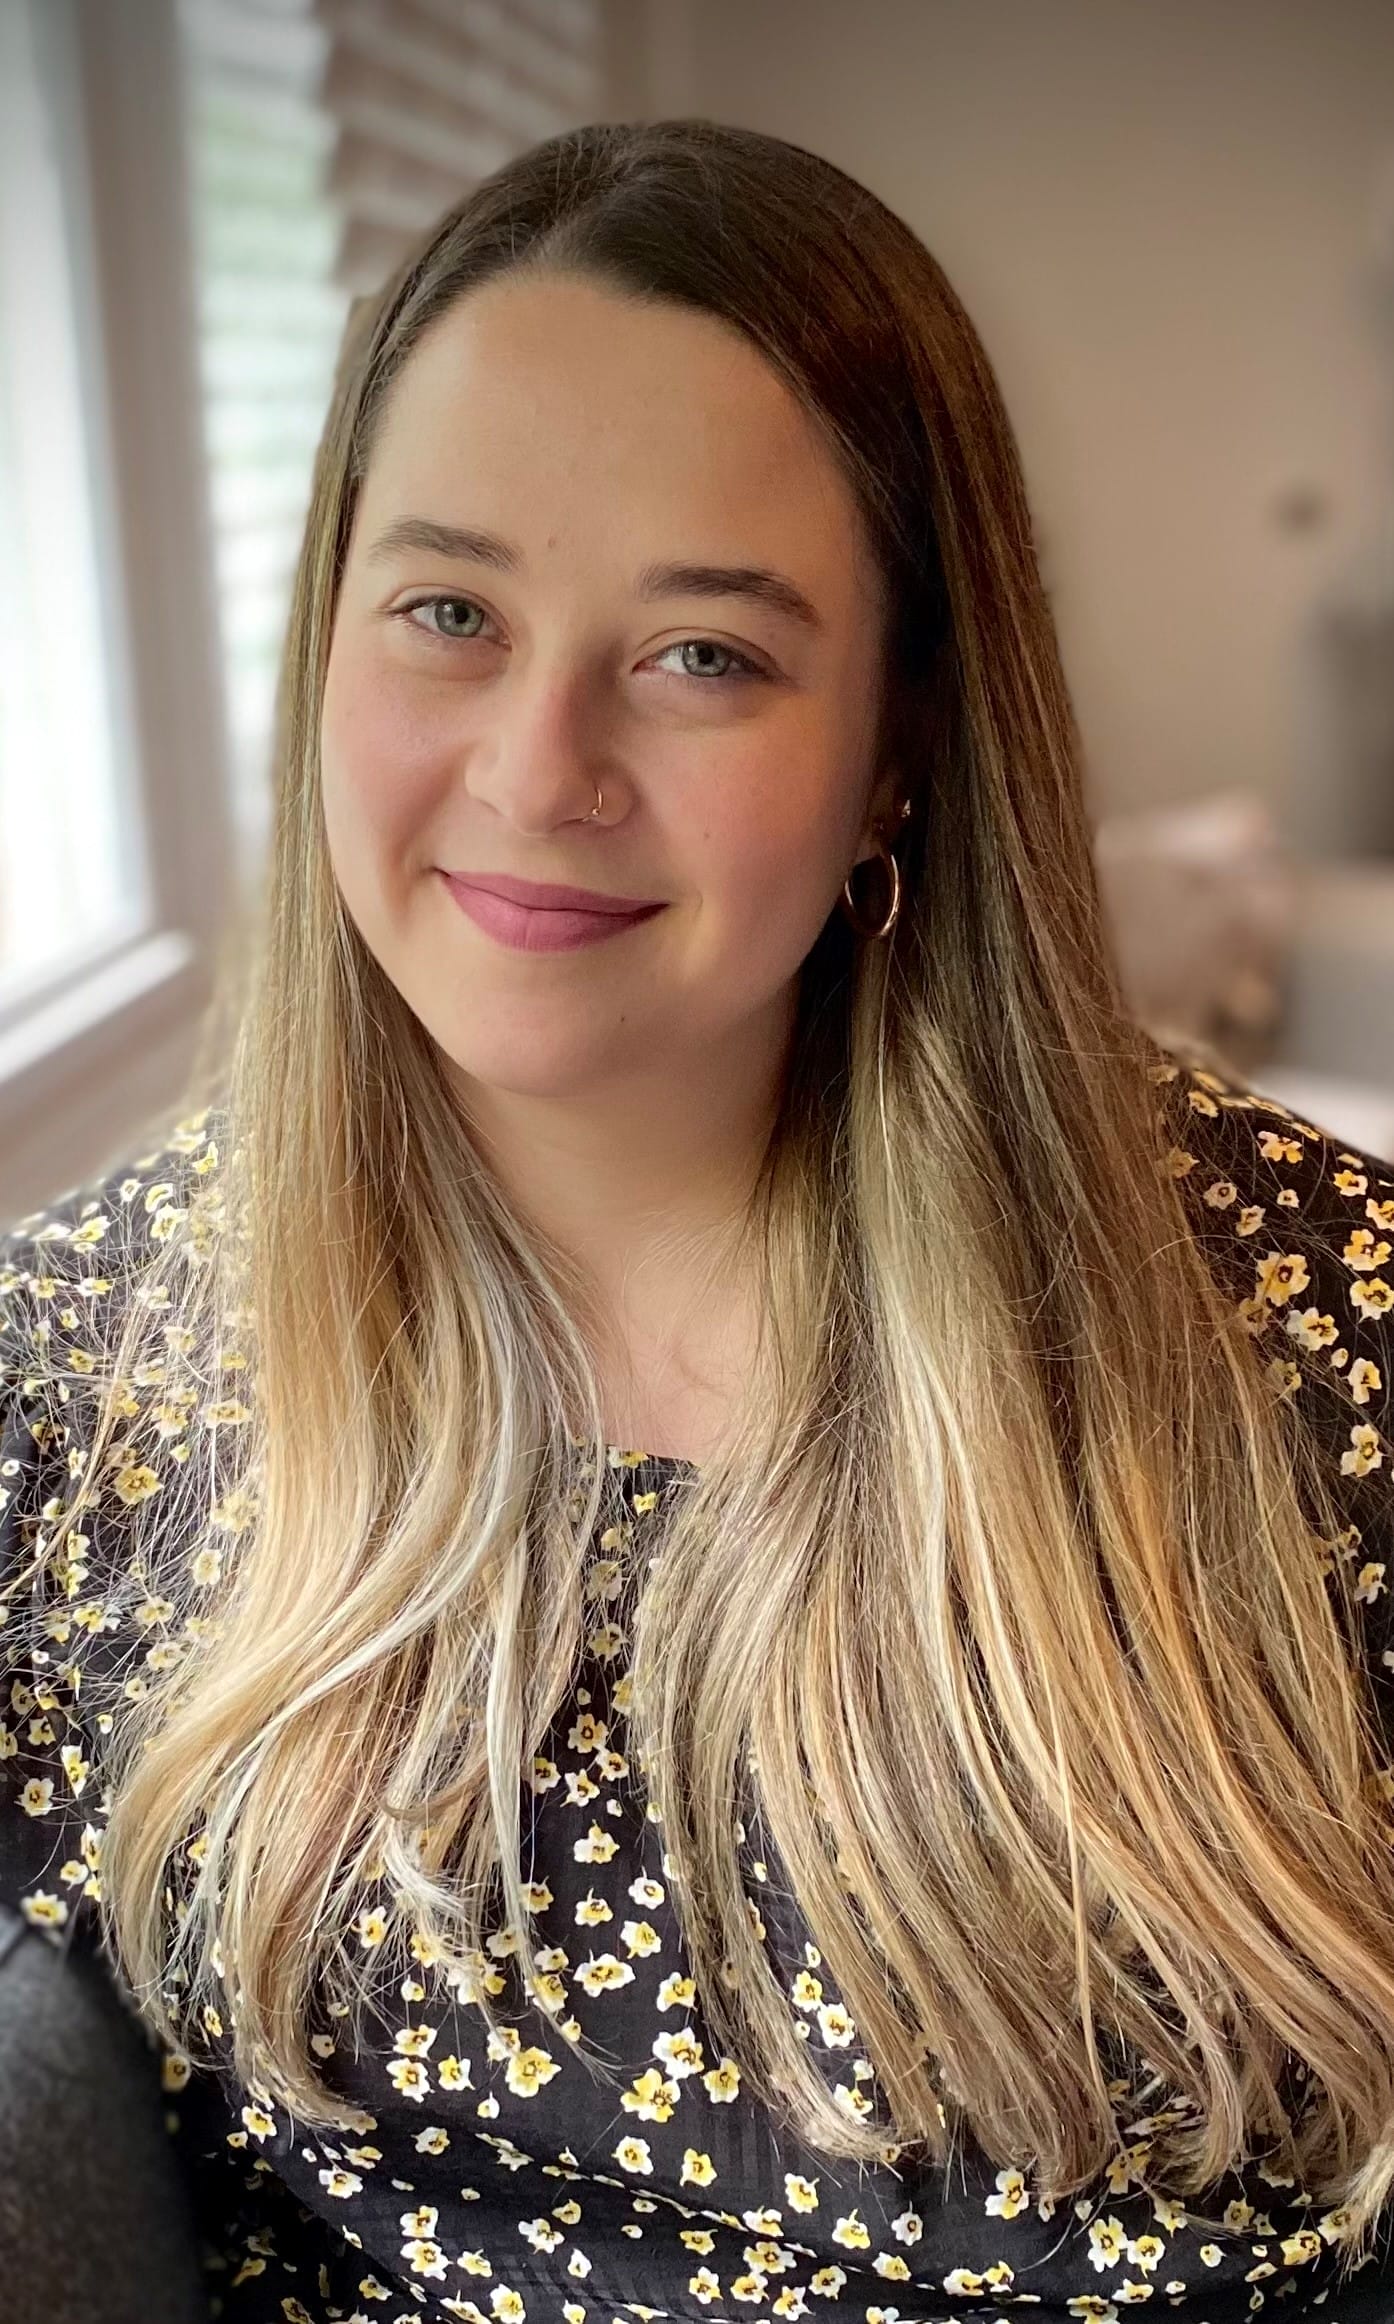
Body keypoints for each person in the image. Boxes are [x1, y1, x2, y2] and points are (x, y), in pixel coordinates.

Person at [3, 114, 1394, 2324]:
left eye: (706, 657)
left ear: (901, 742)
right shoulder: (80, 1368)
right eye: (449, 611)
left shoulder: (1319, 1342)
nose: (538, 764)